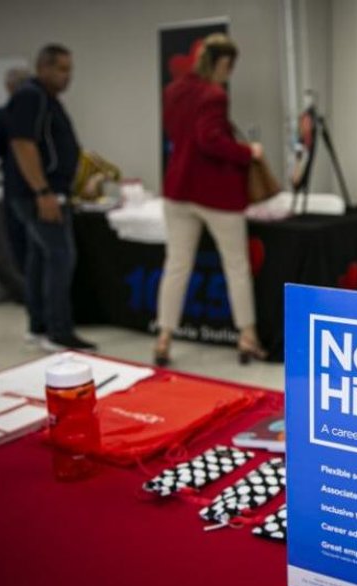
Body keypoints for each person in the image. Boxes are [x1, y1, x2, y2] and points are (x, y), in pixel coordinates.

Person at [155, 33, 267, 366]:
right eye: (229, 67)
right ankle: (247, 336)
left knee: (176, 265)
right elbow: (210, 140)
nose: (229, 74)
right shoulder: (214, 95)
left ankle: (164, 338)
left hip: (178, 190)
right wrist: (249, 151)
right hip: (215, 194)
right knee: (236, 266)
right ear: (221, 62)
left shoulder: (173, 91)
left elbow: (178, 135)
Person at [6, 45, 95, 352]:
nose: (67, 76)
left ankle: (39, 324)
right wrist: (42, 192)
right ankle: (59, 331)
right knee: (60, 257)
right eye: (61, 69)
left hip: (46, 191)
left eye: (70, 69)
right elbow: (22, 144)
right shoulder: (31, 96)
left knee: (40, 258)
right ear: (43, 66)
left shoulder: (48, 99)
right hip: (40, 194)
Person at [0, 67, 31, 272]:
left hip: (15, 186)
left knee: (19, 240)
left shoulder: (1, 115)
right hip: (46, 187)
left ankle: (28, 292)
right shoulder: (46, 112)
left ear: (9, 87)